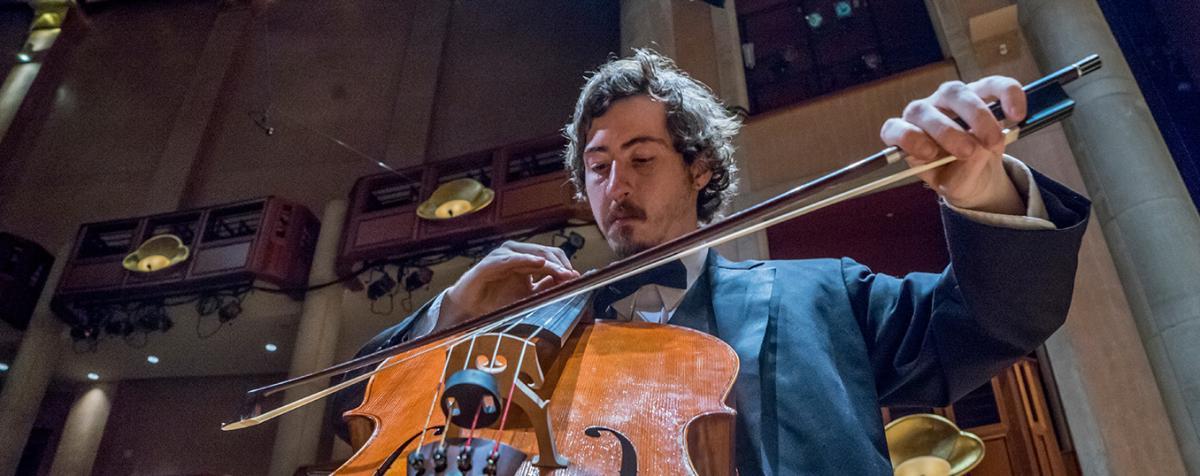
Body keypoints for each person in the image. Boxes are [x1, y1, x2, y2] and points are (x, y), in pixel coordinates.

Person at [332, 50, 1090, 474]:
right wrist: (450, 317)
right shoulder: (529, 328)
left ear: (699, 168)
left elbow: (996, 319)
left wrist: (982, 186)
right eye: (596, 167)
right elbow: (355, 419)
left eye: (641, 157)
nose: (614, 185)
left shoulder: (820, 293)